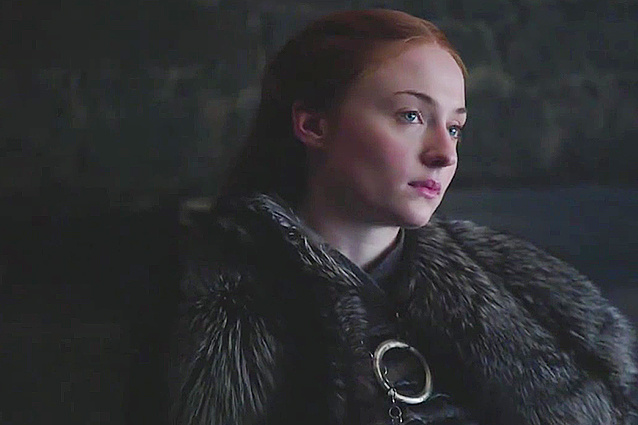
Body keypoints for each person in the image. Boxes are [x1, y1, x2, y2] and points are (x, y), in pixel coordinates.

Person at [173, 9, 637, 425]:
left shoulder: (533, 293)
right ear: (313, 124)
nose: (444, 154)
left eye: (454, 127)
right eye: (411, 116)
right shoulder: (200, 305)